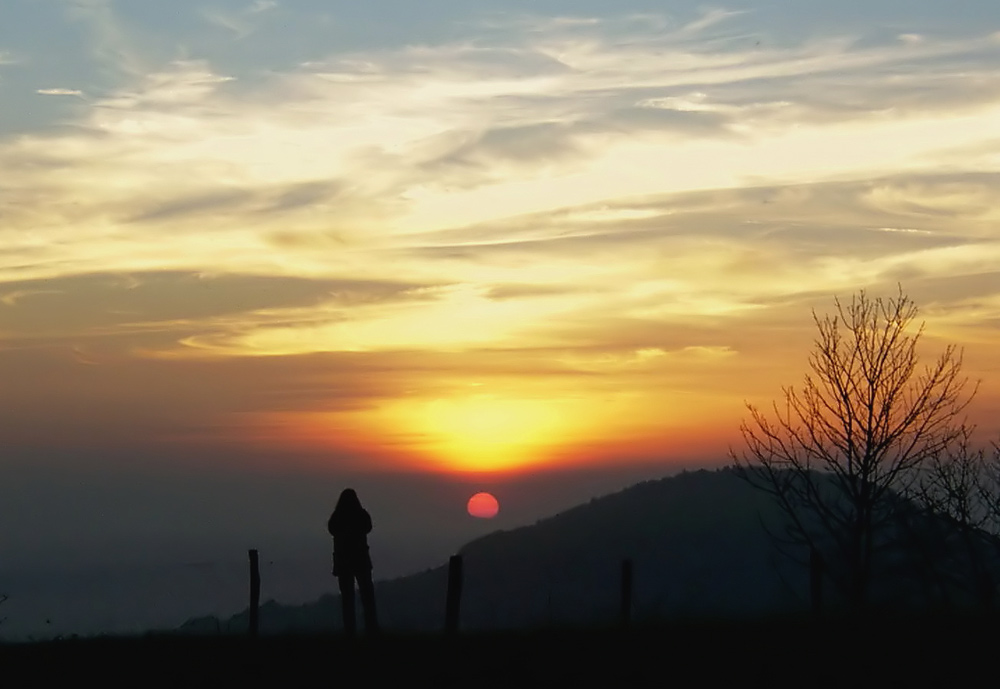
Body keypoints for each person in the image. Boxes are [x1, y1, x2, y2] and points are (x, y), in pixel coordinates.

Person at [327, 488, 378, 636]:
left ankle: (350, 630)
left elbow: (332, 529)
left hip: (344, 563)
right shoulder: (360, 515)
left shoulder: (337, 517)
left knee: (348, 599)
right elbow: (368, 526)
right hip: (360, 560)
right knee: (367, 596)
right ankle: (371, 628)